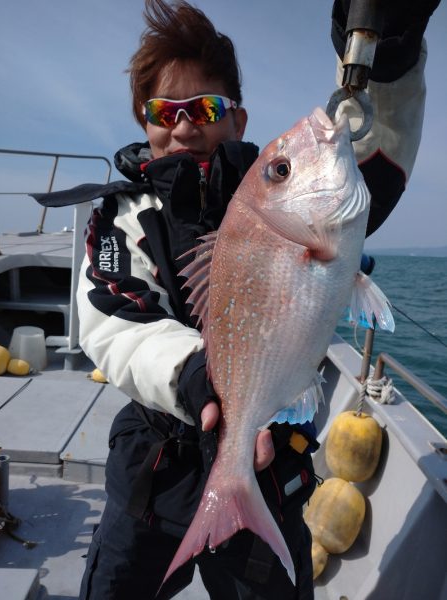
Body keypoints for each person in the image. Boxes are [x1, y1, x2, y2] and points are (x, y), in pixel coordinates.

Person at [33, 1, 440, 598]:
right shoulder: (122, 217)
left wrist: (393, 56)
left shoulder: (278, 192)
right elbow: (114, 323)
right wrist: (202, 376)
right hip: (153, 473)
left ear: (238, 119)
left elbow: (371, 144)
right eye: (161, 112)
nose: (182, 126)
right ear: (143, 121)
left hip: (269, 469)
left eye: (203, 108)